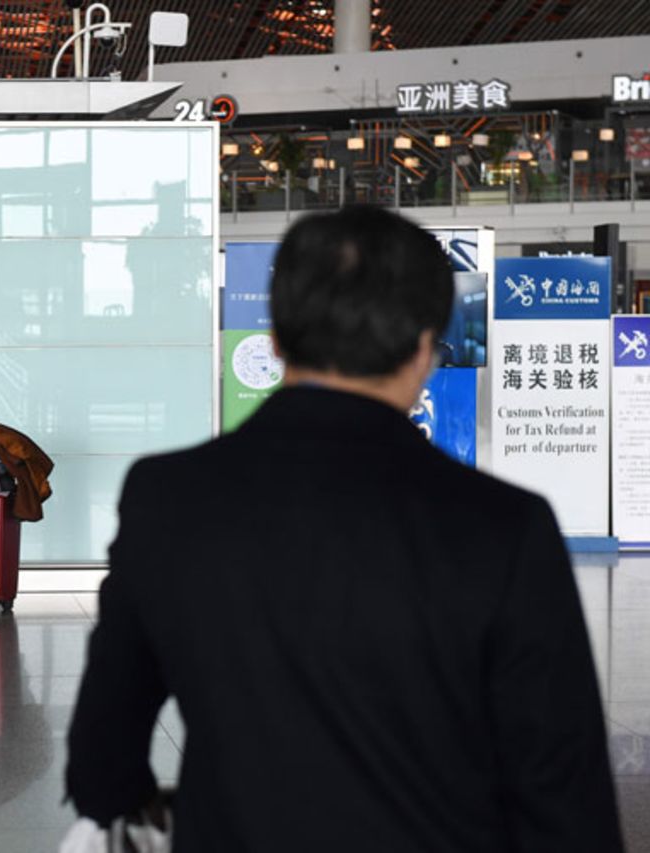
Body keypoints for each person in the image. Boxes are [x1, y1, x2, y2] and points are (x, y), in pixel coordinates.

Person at [65, 205, 622, 851]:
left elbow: (101, 761)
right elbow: (563, 792)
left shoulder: (168, 497)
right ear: (424, 346)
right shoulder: (503, 525)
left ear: (275, 338)